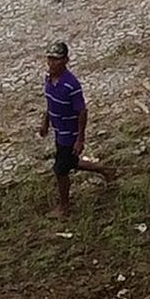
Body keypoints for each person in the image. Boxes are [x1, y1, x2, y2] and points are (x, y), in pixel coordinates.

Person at [44, 42, 116, 211]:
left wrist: (80, 139)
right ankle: (106, 170)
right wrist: (45, 122)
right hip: (58, 129)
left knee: (61, 170)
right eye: (50, 59)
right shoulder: (49, 78)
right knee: (70, 161)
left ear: (66, 60)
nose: (52, 63)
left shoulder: (72, 85)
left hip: (68, 133)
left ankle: (64, 206)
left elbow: (82, 112)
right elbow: (50, 102)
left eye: (56, 60)